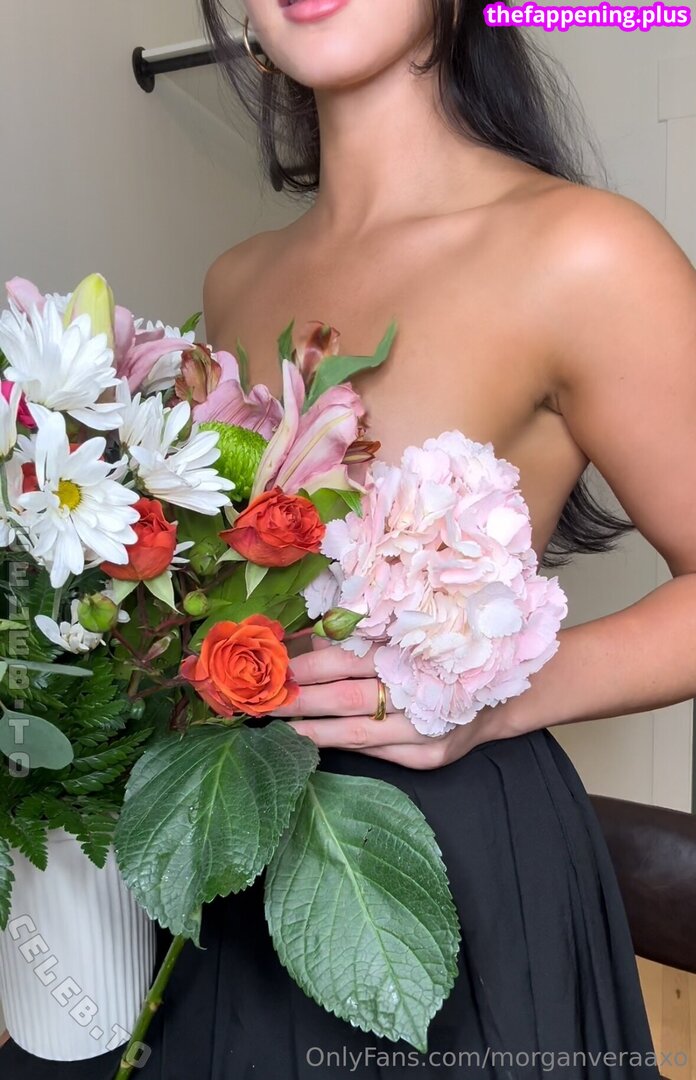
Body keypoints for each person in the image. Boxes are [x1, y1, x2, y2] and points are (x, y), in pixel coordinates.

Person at [4, 1, 696, 1077]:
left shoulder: (586, 252)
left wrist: (494, 696)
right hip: (235, 867)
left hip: (465, 871)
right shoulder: (236, 280)